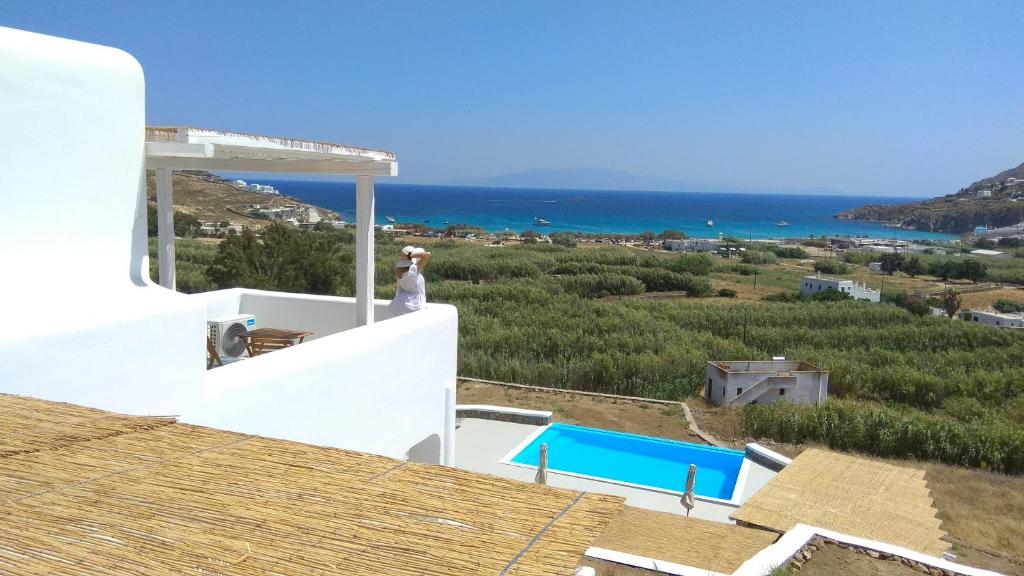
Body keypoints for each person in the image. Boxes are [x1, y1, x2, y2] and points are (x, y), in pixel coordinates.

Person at [387, 245, 431, 317]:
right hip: (411, 306)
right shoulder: (413, 269)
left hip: (394, 306)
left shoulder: (399, 270)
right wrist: (409, 256)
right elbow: (427, 254)